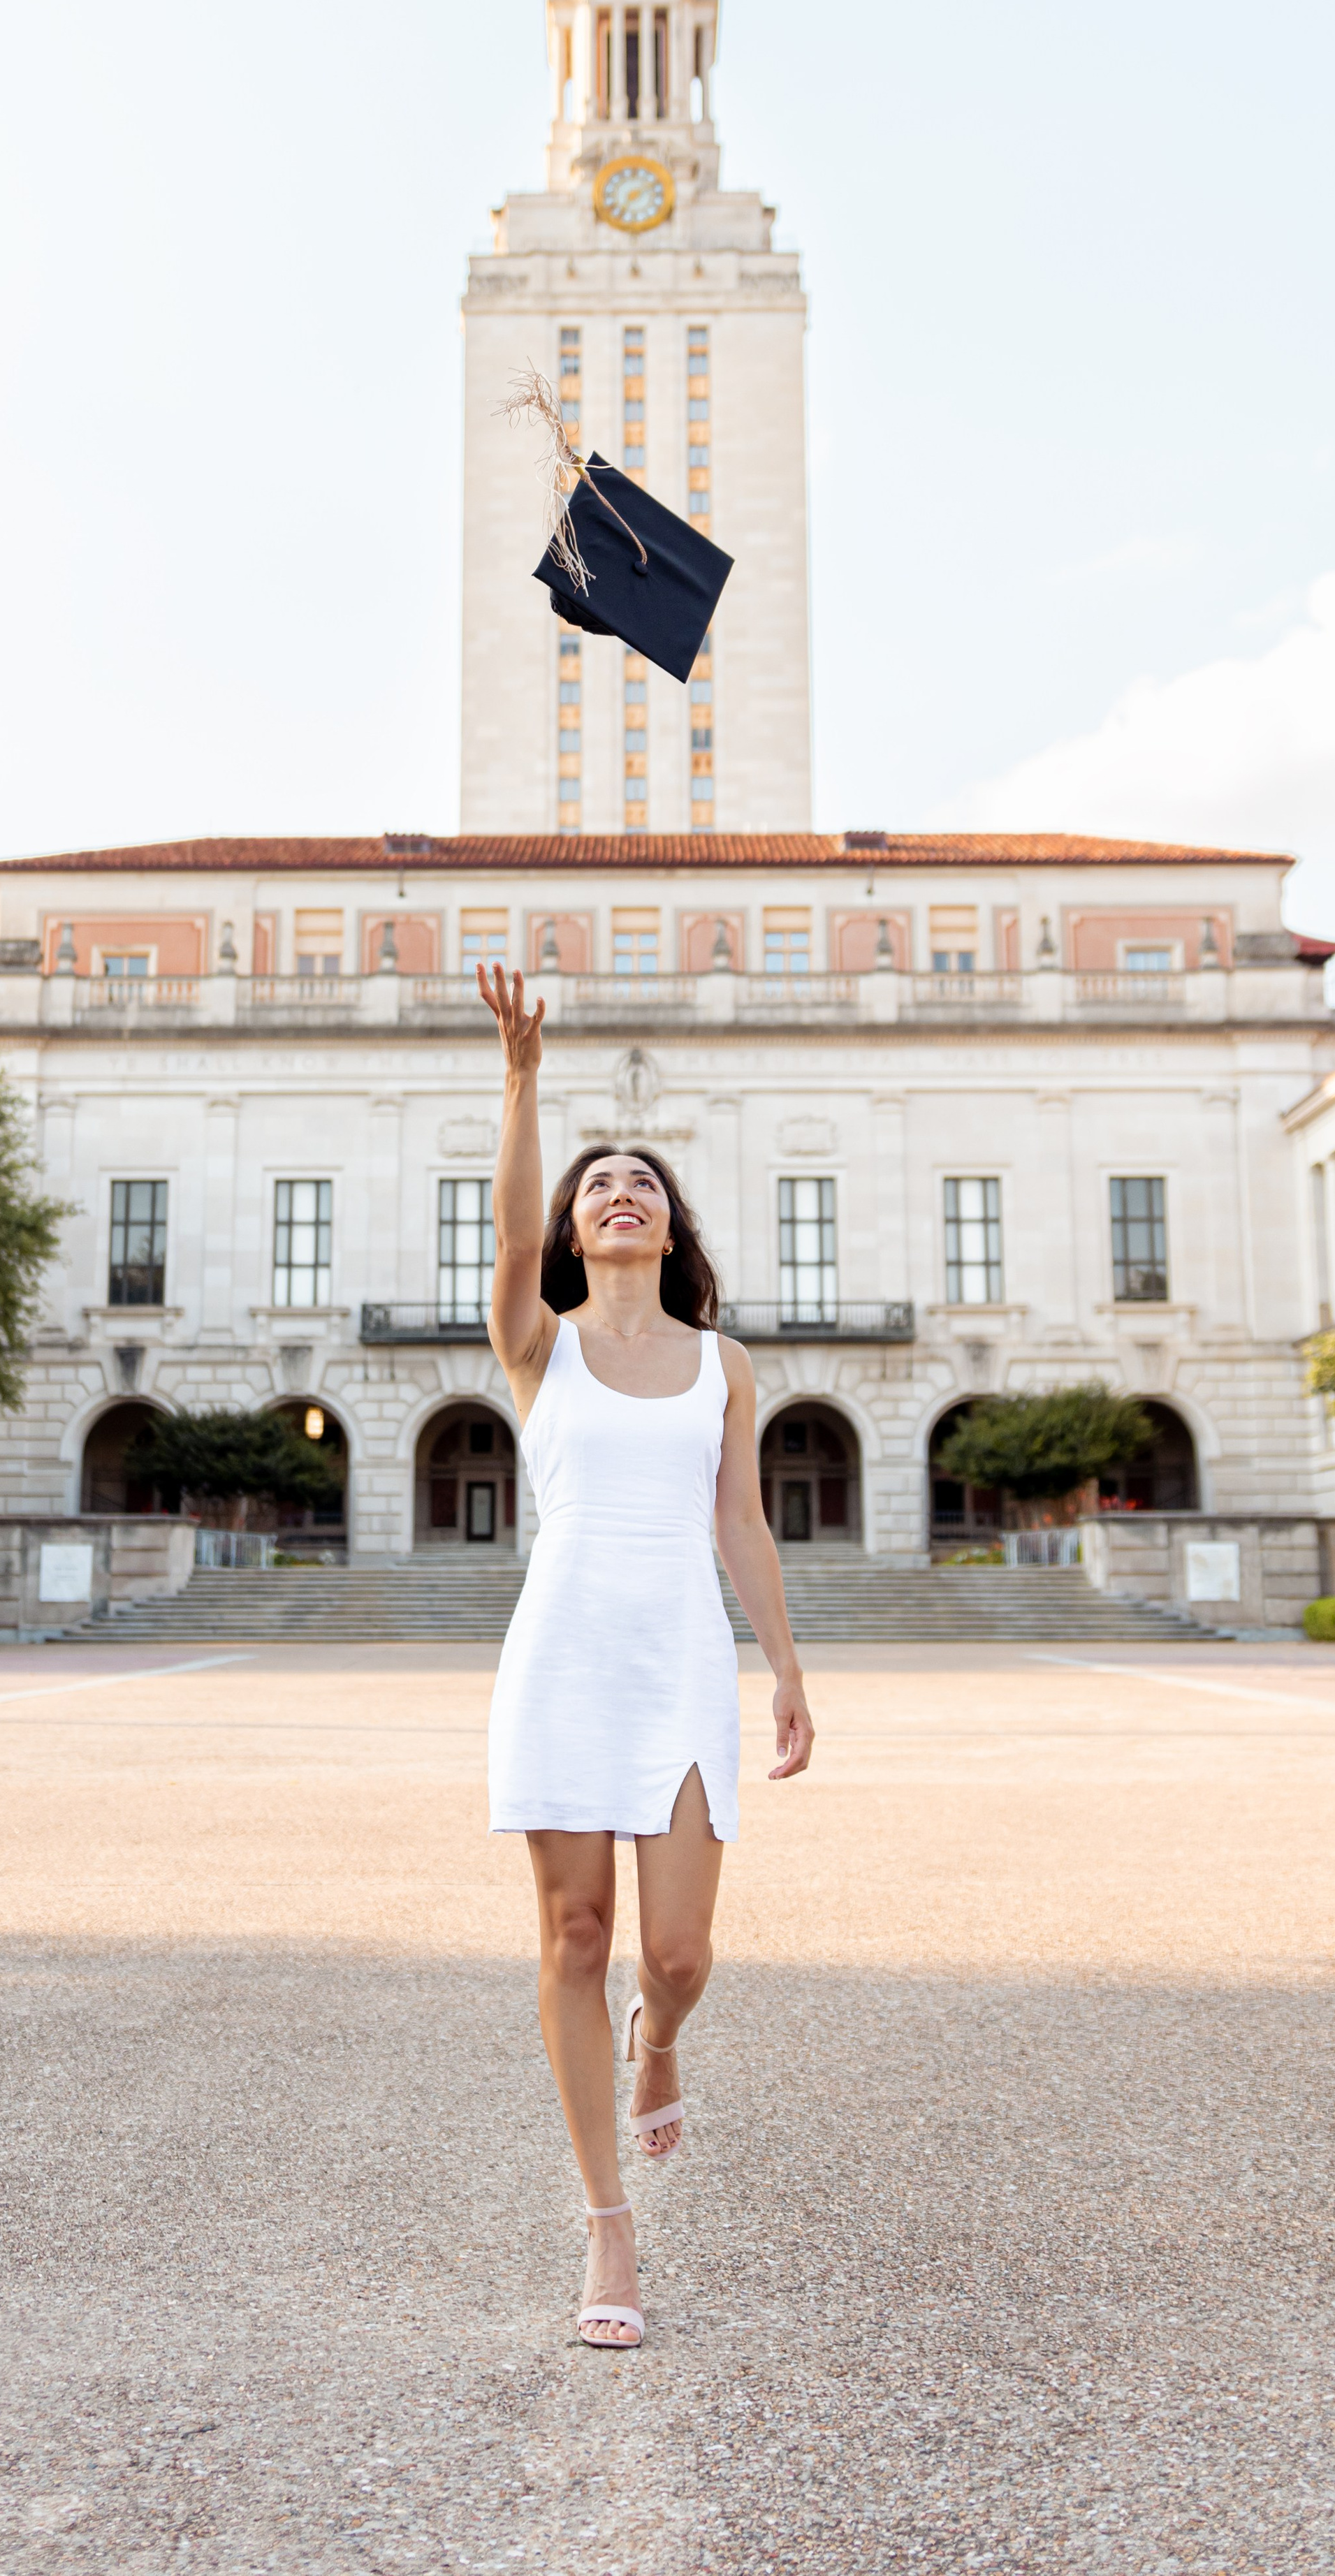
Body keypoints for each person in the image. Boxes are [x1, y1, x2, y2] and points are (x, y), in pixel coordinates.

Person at [476, 960, 815, 2350]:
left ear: (670, 1231)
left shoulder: (721, 1362)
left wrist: (787, 1671)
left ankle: (657, 2040)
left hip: (678, 1660)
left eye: (643, 1182)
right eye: (595, 1183)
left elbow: (738, 1521)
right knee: (574, 1934)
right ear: (574, 1226)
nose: (620, 1190)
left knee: (674, 1951)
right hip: (561, 1655)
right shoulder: (533, 1344)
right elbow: (500, 1240)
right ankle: (609, 2233)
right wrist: (521, 1076)